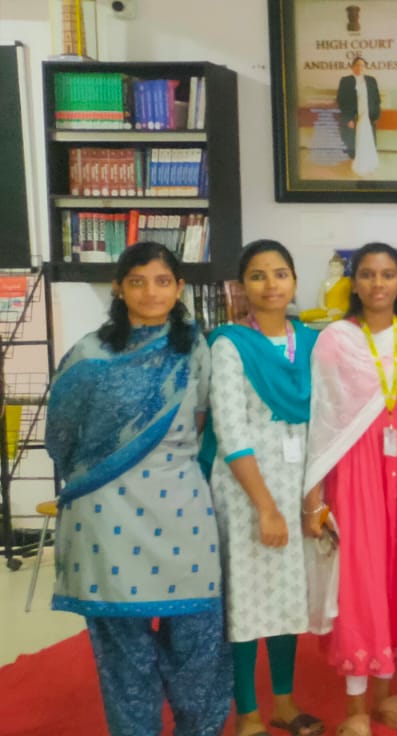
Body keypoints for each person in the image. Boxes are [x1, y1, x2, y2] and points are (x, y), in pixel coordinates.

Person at [45, 242, 229, 736]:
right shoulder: (88, 355)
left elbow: (201, 421)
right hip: (105, 512)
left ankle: (200, 728)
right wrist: (102, 470)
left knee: (198, 635)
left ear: (179, 288)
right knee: (123, 650)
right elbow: (60, 436)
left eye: (163, 281)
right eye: (138, 281)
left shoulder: (195, 348)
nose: (151, 292)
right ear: (119, 288)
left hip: (182, 506)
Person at [303, 242, 397, 735]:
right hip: (353, 470)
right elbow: (321, 418)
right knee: (358, 579)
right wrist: (313, 497)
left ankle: (385, 692)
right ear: (353, 283)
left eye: (388, 274)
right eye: (367, 274)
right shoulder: (334, 340)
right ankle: (355, 706)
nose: (378, 284)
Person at [205, 240, 324, 736]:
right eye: (258, 275)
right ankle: (248, 713)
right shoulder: (229, 344)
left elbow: (323, 423)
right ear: (241, 287)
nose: (270, 284)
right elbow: (231, 431)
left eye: (280, 273)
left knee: (287, 596)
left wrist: (311, 500)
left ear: (294, 281)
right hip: (245, 488)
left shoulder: (314, 342)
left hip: (298, 482)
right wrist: (266, 507)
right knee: (245, 600)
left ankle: (285, 703)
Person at [335, 56, 381, 177]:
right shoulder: (345, 81)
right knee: (352, 139)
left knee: (368, 138)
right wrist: (348, 118)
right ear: (352, 67)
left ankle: (368, 163)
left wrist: (376, 115)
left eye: (362, 65)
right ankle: (353, 162)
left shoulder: (371, 80)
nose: (359, 67)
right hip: (353, 117)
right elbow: (341, 100)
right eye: (357, 65)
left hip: (367, 116)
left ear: (365, 67)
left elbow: (377, 100)